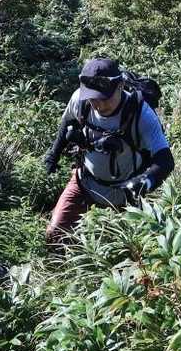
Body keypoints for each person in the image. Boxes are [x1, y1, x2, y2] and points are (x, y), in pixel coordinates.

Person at [42, 57, 174, 244]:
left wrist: (144, 181)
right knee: (54, 235)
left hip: (125, 194)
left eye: (105, 98)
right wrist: (52, 156)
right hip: (84, 182)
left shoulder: (141, 115)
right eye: (93, 98)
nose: (99, 105)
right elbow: (67, 122)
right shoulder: (80, 100)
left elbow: (165, 160)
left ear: (120, 86)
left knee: (129, 250)